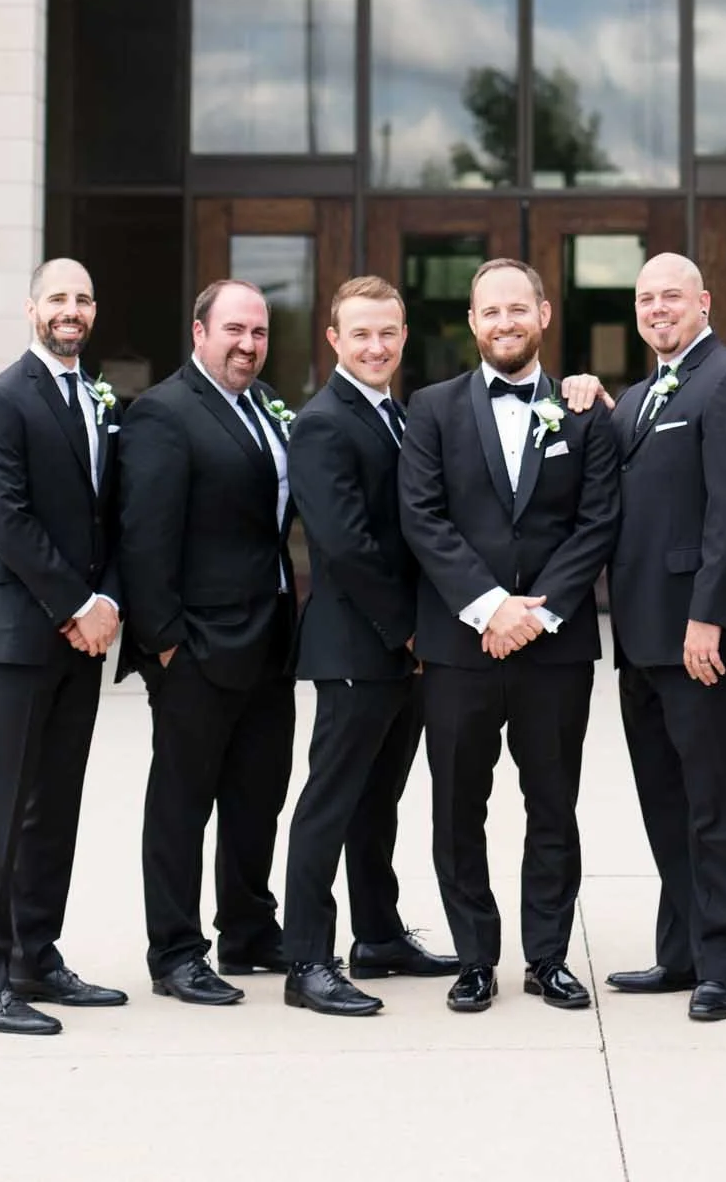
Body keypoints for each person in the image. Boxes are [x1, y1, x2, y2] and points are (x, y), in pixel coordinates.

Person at [398, 257, 620, 1015]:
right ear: (470, 322)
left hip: (555, 650)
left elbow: (597, 522)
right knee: (459, 806)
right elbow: (422, 518)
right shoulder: (427, 409)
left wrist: (537, 613)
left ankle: (548, 956)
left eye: (517, 310)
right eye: (489, 312)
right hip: (460, 646)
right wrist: (491, 607)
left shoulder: (584, 409)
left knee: (552, 802)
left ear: (543, 315)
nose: (504, 323)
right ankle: (474, 958)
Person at [571, 253, 726, 1024]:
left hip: (702, 639)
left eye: (670, 296)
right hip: (641, 640)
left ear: (704, 302)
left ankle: (723, 964)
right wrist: (586, 397)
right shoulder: (639, 394)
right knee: (666, 803)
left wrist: (709, 614)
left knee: (719, 806)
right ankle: (680, 951)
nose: (657, 308)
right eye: (645, 298)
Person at [0, 257, 127, 1035]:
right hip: (20, 635)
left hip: (80, 641)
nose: (72, 309)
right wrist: (78, 604)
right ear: (31, 308)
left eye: (84, 298)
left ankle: (35, 956)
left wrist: (109, 602)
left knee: (53, 807)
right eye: (58, 296)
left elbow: (108, 515)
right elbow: (8, 521)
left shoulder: (96, 399)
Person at [116, 279, 298, 1006]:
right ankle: (175, 952)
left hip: (269, 640)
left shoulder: (260, 407)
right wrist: (163, 644)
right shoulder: (165, 412)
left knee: (258, 796)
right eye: (234, 330)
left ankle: (249, 930)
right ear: (199, 332)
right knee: (182, 804)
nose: (248, 345)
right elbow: (144, 535)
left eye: (257, 332)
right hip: (195, 647)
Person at [281, 275, 457, 1016]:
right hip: (358, 645)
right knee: (329, 801)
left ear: (403, 335)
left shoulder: (400, 414)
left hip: (399, 651)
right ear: (334, 340)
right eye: (360, 334)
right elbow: (345, 547)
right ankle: (307, 961)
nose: (375, 346)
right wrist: (412, 627)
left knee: (377, 801)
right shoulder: (324, 422)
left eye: (387, 333)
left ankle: (378, 935)